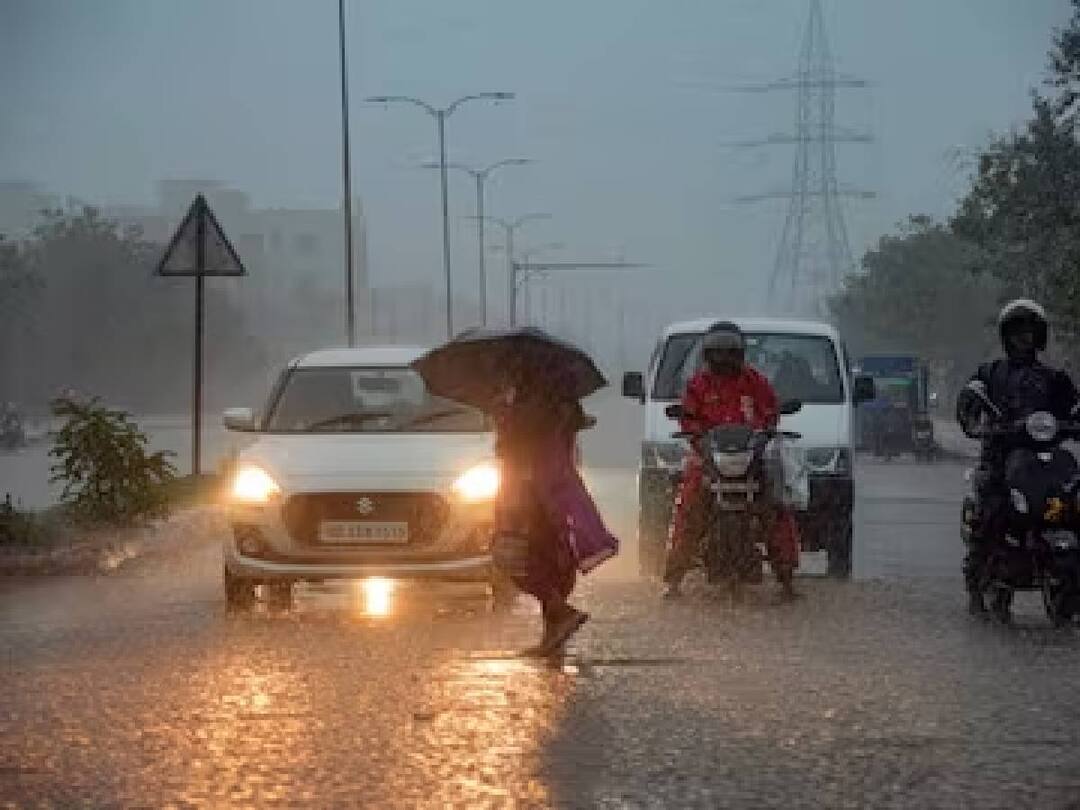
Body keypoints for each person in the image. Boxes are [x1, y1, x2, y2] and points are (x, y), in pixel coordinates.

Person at [957, 299, 1080, 615]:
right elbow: (970, 397)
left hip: (1046, 458)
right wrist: (972, 419)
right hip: (1003, 456)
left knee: (1071, 494)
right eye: (1018, 332)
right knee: (992, 507)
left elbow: (1075, 407)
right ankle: (978, 575)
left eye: (1031, 332)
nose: (1025, 338)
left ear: (1040, 336)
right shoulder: (992, 373)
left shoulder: (1055, 379)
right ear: (1006, 336)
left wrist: (1073, 423)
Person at [663, 322, 800, 601]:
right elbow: (688, 418)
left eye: (730, 353)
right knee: (688, 506)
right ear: (707, 355)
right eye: (717, 354)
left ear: (740, 354)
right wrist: (698, 442)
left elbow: (771, 412)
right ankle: (674, 578)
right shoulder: (698, 385)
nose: (723, 360)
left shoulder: (756, 383)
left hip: (751, 460)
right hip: (708, 459)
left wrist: (765, 435)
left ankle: (786, 577)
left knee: (776, 507)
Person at [491, 368, 615, 655]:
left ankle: (559, 612)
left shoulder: (526, 404)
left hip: (527, 491)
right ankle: (553, 633)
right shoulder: (562, 401)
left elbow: (515, 445)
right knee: (554, 558)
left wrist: (505, 415)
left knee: (513, 556)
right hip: (558, 492)